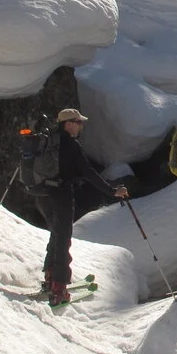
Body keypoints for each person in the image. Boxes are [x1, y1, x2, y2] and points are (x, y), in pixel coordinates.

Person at [36, 108, 128, 306]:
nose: (81, 126)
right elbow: (89, 173)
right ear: (68, 123)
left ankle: (49, 278)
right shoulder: (70, 145)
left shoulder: (47, 141)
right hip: (61, 195)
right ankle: (59, 289)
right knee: (63, 239)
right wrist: (112, 191)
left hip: (42, 195)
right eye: (78, 122)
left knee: (55, 233)